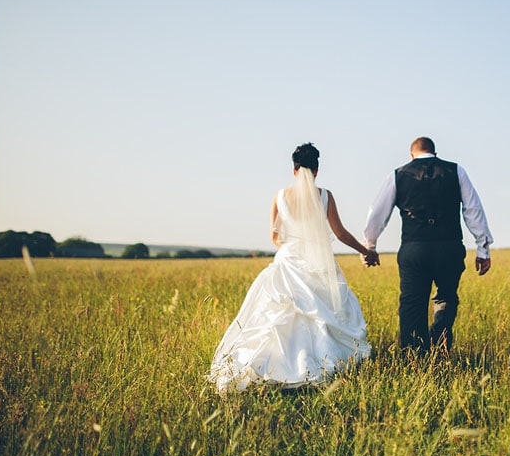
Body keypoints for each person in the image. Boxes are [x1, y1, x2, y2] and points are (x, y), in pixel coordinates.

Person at [208, 143, 376, 394]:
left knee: (276, 317)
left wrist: (293, 243)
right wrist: (367, 251)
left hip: (288, 261)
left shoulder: (280, 196)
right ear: (317, 171)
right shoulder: (325, 196)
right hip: (317, 262)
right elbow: (340, 234)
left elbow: (275, 237)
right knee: (321, 315)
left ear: (294, 169)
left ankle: (267, 365)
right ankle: (315, 364)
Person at [363, 136, 493, 353]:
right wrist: (483, 248)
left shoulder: (398, 174)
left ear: (412, 155)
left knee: (412, 304)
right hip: (449, 246)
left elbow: (377, 213)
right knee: (446, 297)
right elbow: (473, 210)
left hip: (414, 248)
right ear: (434, 152)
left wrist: (370, 245)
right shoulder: (456, 171)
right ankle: (439, 344)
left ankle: (415, 356)